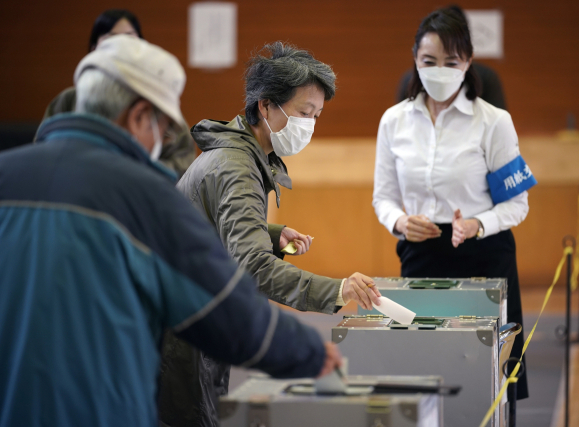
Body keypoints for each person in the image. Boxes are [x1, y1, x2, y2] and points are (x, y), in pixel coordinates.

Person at [0, 35, 341, 427]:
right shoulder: (144, 196)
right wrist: (308, 352)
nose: (161, 142)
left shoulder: (6, 174)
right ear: (140, 115)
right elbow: (224, 305)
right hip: (98, 406)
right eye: (163, 128)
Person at [159, 42, 381, 427]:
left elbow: (210, 223)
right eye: (303, 113)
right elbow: (253, 267)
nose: (309, 125)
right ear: (265, 106)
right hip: (182, 333)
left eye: (317, 115)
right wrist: (337, 289)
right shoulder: (237, 166)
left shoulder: (240, 152)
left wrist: (268, 231)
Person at [372, 6, 536, 422]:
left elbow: (518, 204)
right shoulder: (394, 121)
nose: (440, 70)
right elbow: (383, 198)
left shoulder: (493, 122)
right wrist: (399, 221)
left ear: (467, 62)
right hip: (420, 254)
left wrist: (478, 223)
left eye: (451, 61)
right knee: (423, 371)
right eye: (429, 61)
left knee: (491, 380)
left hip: (485, 255)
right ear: (415, 59)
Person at [41, 9, 195, 177]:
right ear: (94, 49)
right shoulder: (68, 100)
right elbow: (45, 150)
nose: (122, 45)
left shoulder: (160, 105)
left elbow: (182, 164)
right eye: (111, 38)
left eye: (130, 38)